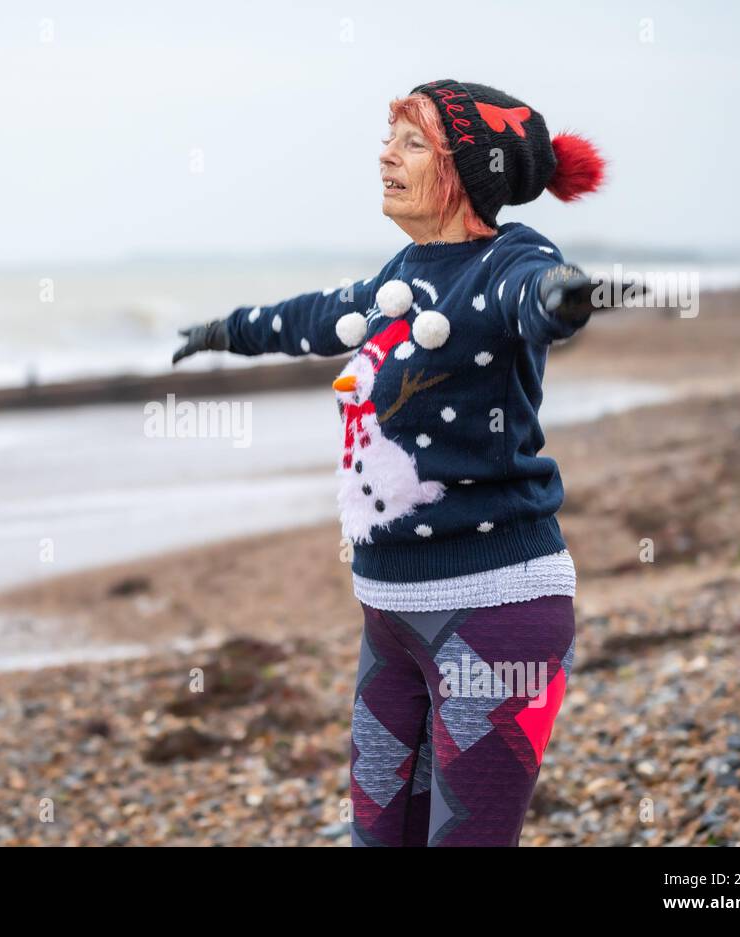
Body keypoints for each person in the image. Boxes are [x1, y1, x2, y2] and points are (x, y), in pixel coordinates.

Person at [171, 80, 608, 846]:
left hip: (495, 611)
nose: (386, 155)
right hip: (389, 617)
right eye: (389, 137)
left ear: (471, 171)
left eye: (411, 142)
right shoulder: (400, 276)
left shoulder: (509, 259)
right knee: (379, 836)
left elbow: (530, 295)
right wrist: (223, 330)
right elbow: (310, 317)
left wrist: (560, 298)